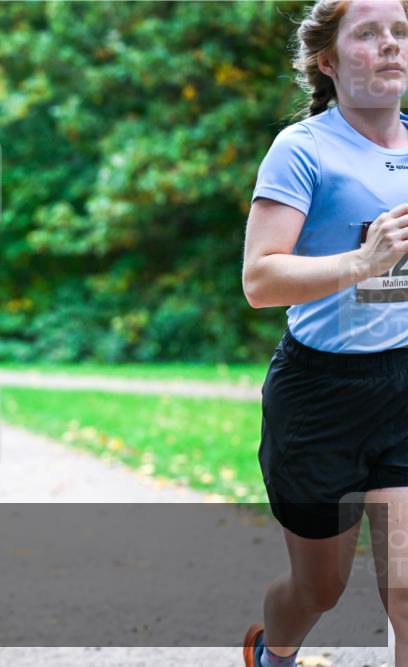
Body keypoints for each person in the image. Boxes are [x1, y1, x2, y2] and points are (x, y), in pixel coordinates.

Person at [240, 1, 408, 665]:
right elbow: (259, 280)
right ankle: (273, 651)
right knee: (320, 588)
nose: (390, 46)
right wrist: (365, 262)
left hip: (404, 384)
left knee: (406, 585)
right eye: (368, 34)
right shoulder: (302, 149)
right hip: (320, 394)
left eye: (400, 32)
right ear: (328, 60)